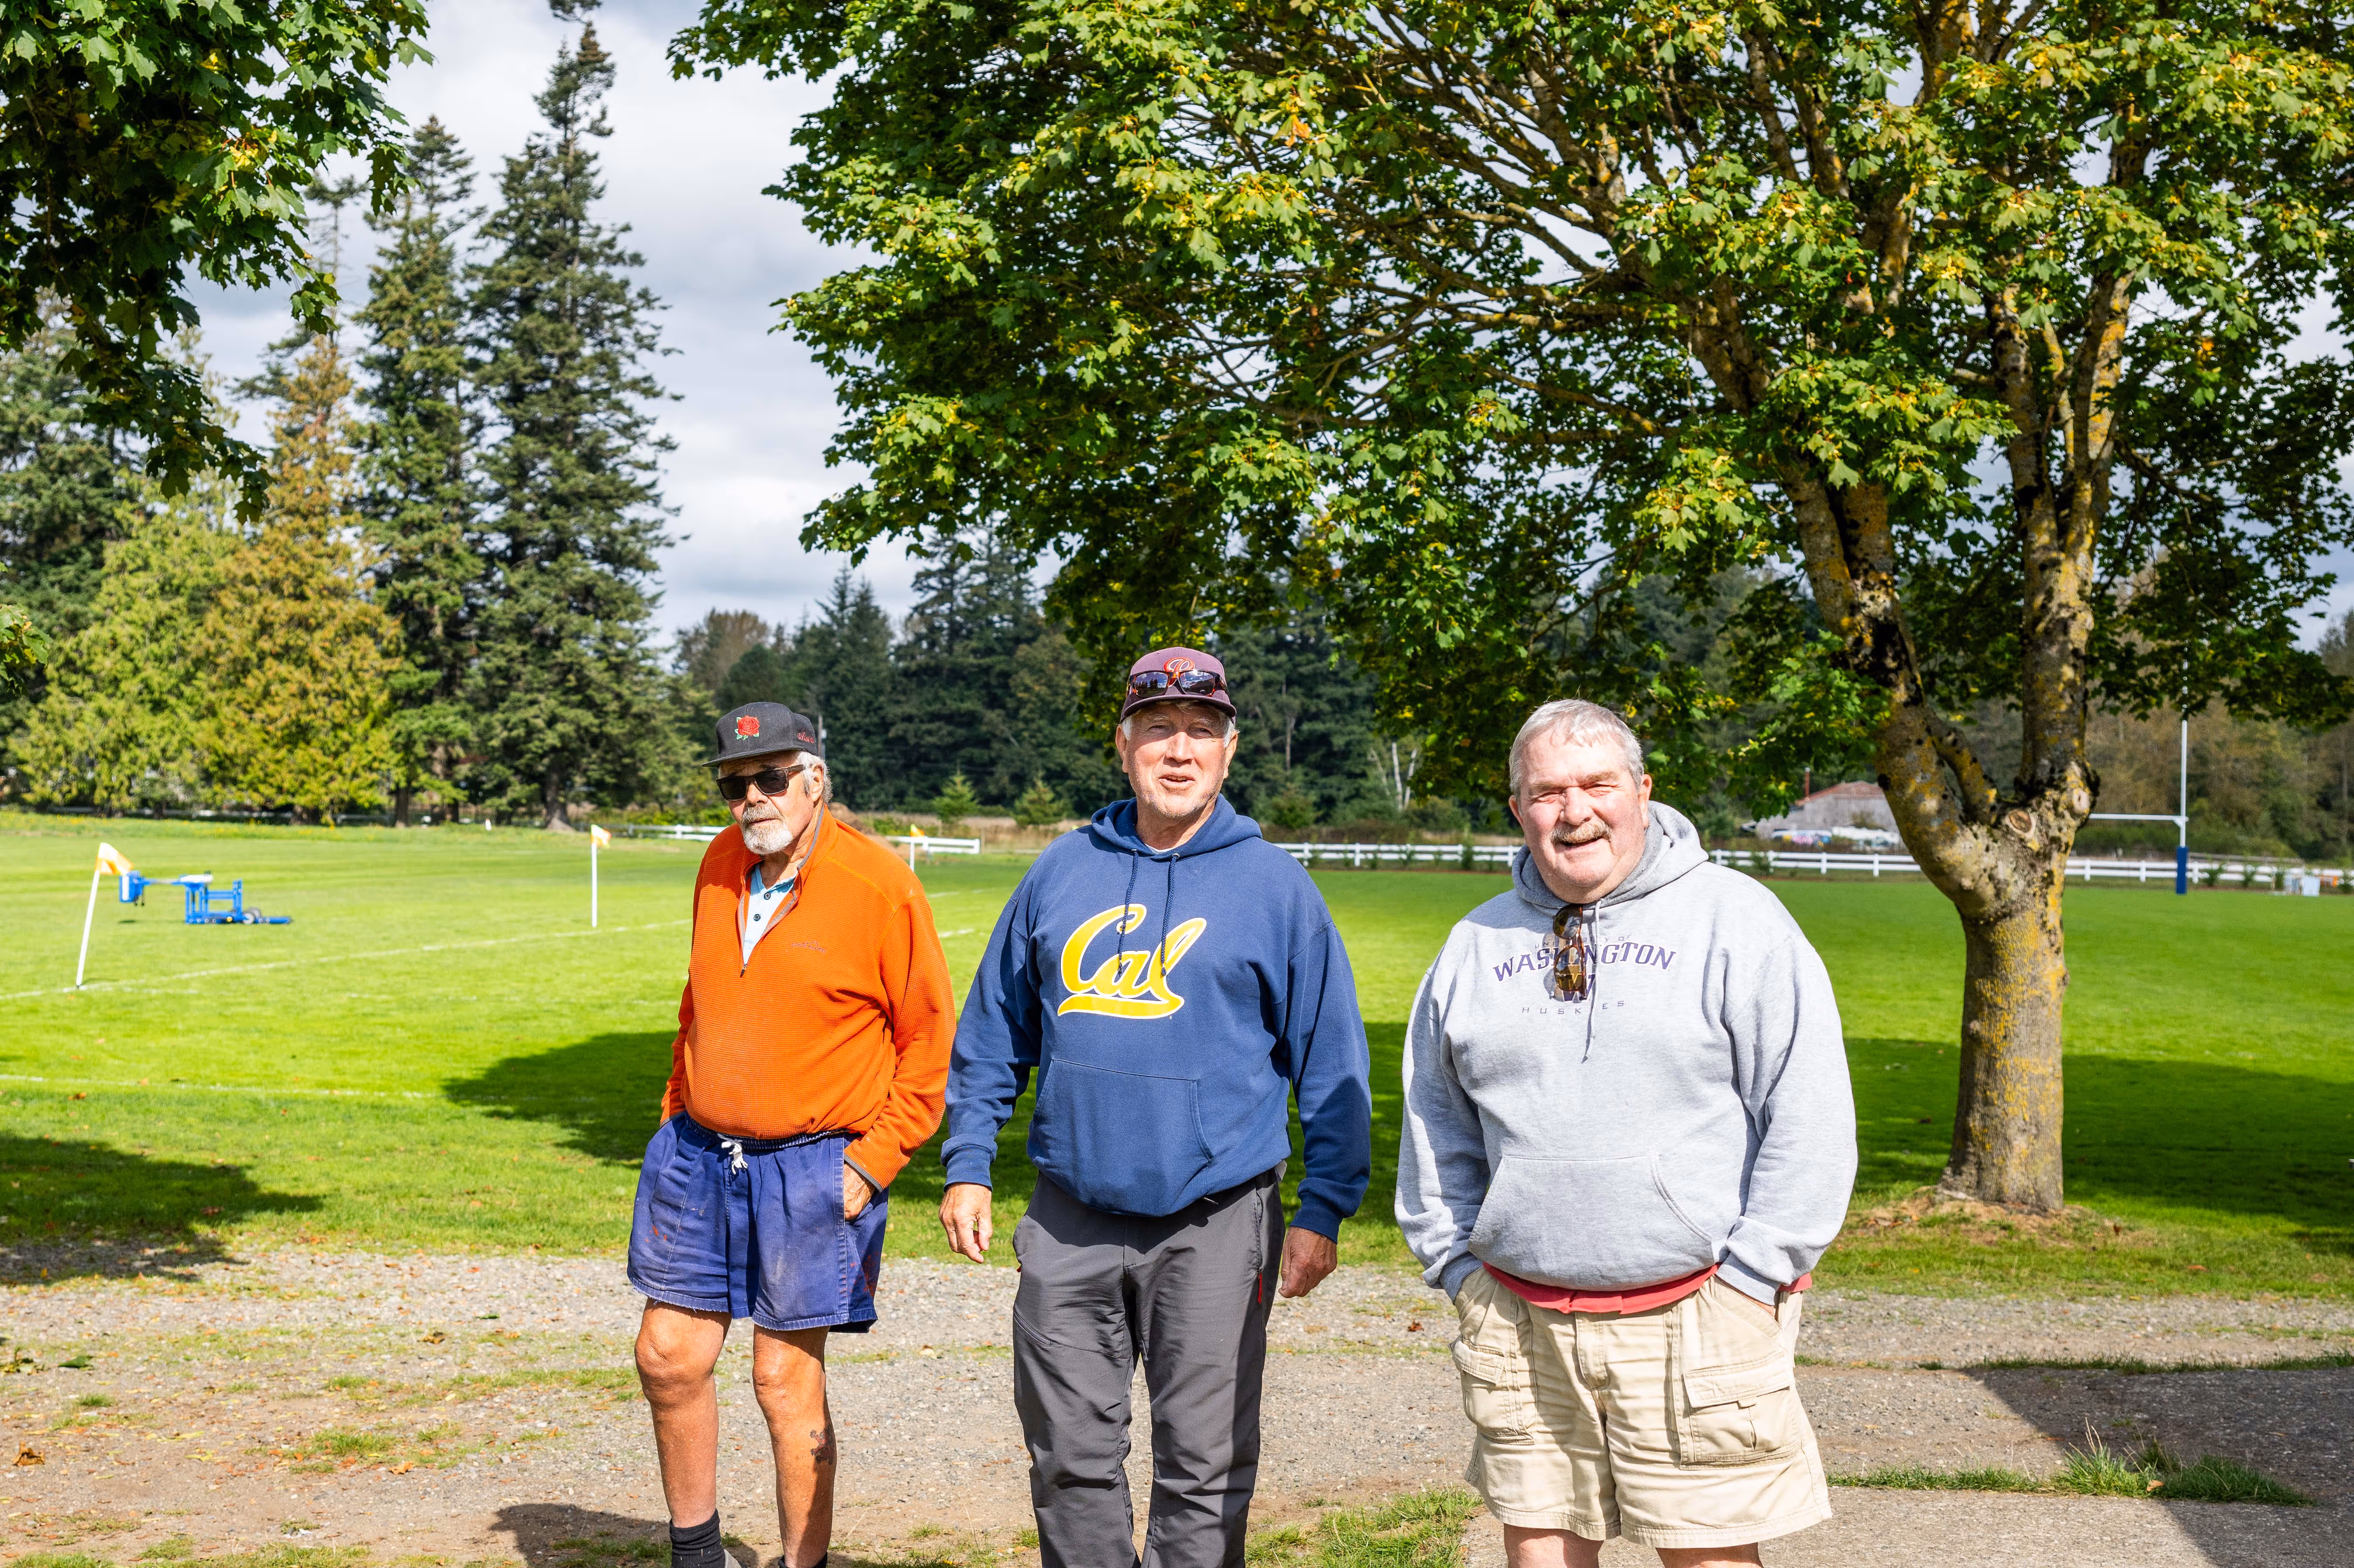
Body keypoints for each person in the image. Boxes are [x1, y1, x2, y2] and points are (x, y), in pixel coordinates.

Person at [939, 646, 1373, 1568]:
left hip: (1218, 1219)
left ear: (1228, 749)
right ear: (1123, 743)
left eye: (1200, 732)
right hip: (1070, 1218)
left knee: (1204, 1463)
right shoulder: (1059, 873)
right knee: (1069, 1456)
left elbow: (1332, 1065)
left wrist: (1323, 1206)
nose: (1179, 751)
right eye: (1158, 729)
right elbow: (990, 1033)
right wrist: (969, 1160)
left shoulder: (1275, 888)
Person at [1397, 699, 1856, 1568]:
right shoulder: (1472, 942)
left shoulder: (1737, 921)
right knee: (1538, 1547)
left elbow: (1809, 1116)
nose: (1573, 811)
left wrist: (1755, 1276)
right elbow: (1436, 1123)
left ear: (1641, 791)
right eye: (1545, 792)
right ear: (1516, 809)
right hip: (1518, 1318)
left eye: (1596, 784)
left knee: (1706, 1556)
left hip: (1698, 1315)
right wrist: (1457, 1266)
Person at [630, 701, 955, 1568]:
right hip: (699, 1154)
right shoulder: (717, 863)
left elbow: (929, 1043)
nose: (751, 797)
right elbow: (699, 1000)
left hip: (816, 1163)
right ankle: (696, 1554)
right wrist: (675, 1109)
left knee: (782, 1378)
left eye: (770, 776)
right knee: (666, 1353)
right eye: (734, 783)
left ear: (817, 779)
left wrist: (874, 1161)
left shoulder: (881, 886)